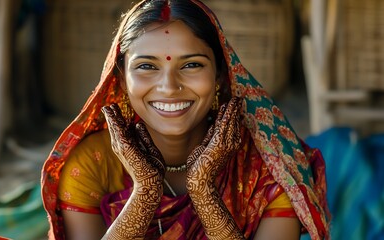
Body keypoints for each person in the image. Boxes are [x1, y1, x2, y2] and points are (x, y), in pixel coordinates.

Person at [41, 0, 330, 239]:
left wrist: (204, 192)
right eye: (146, 66)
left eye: (192, 65)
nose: (169, 86)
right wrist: (144, 193)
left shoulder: (269, 169)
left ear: (220, 74)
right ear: (121, 79)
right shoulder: (93, 162)